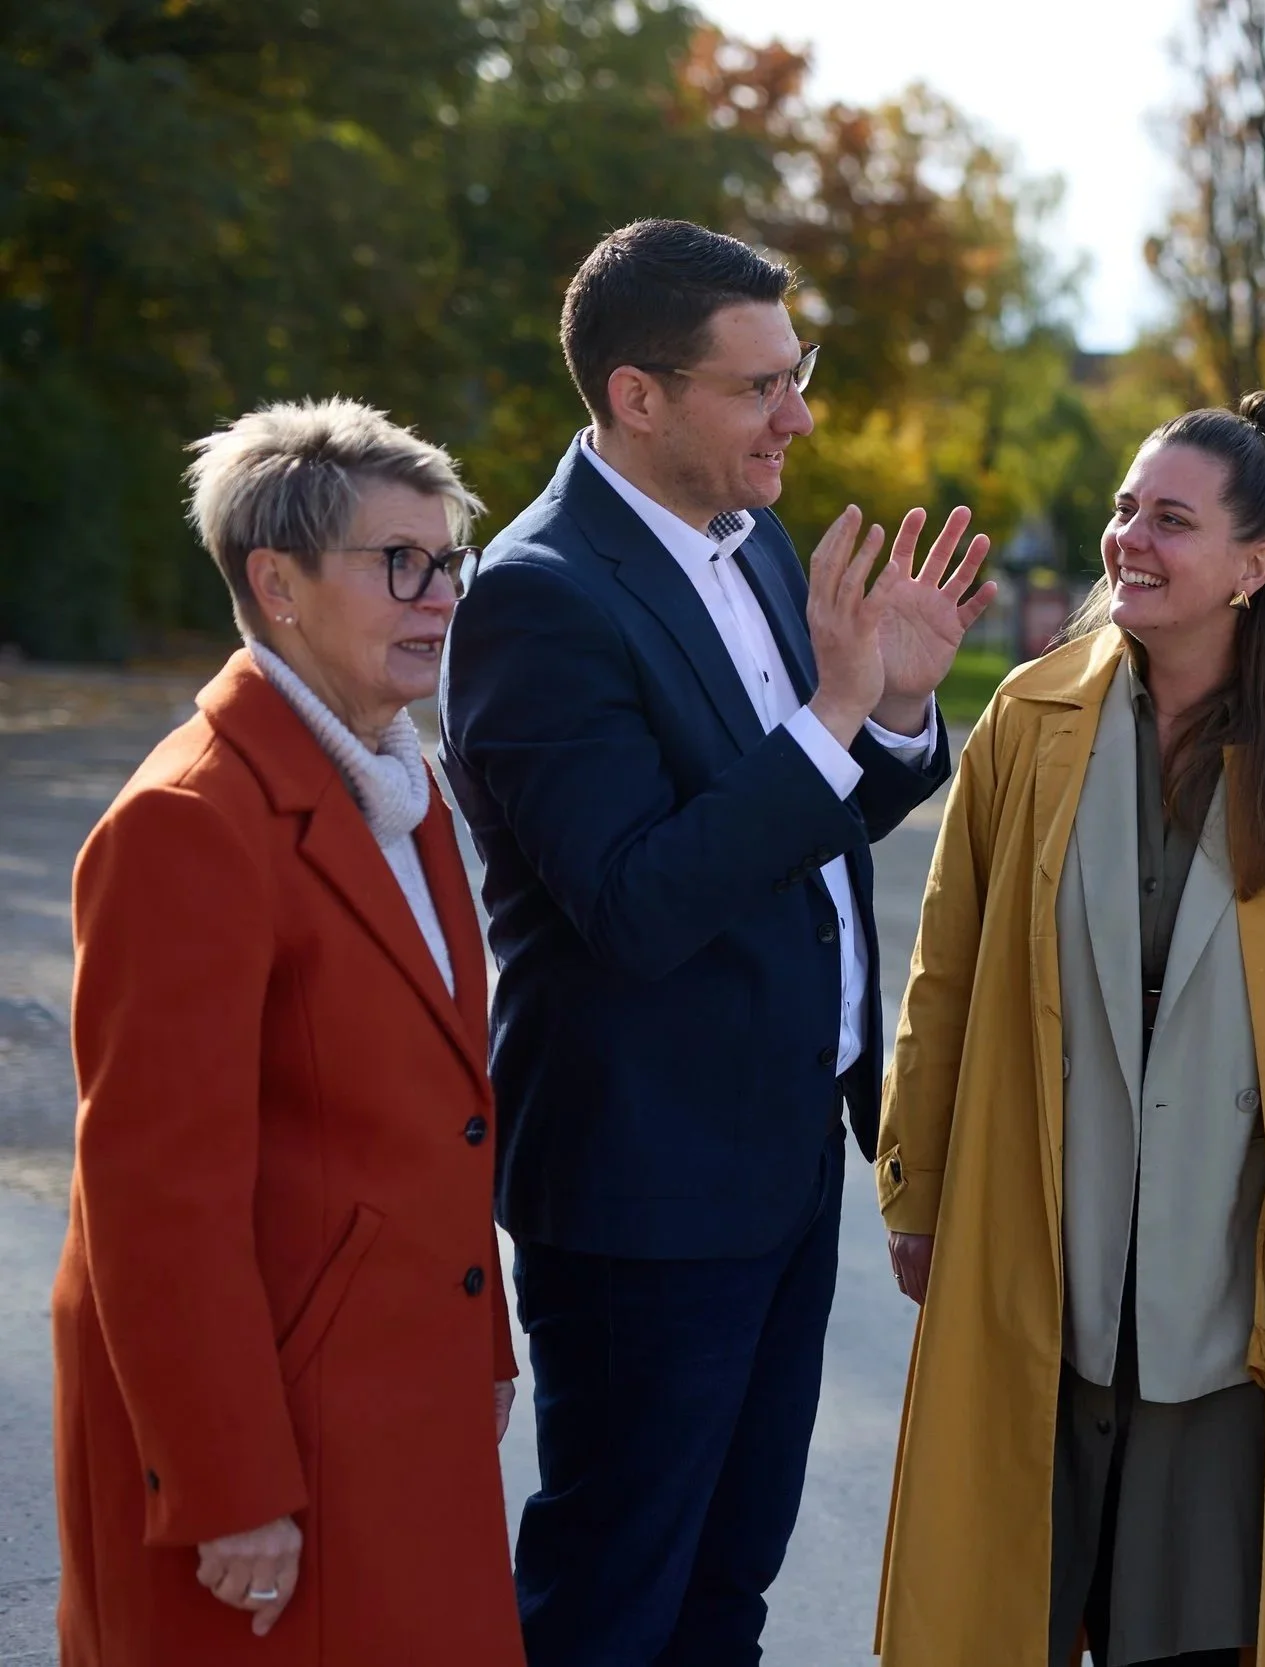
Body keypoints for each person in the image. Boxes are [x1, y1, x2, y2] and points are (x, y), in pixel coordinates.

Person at [438, 217, 996, 1666]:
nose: (796, 415)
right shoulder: (537, 597)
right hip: (642, 1184)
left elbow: (795, 825)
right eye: (758, 386)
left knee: (726, 1583)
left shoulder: (753, 549)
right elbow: (638, 898)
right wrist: (828, 718)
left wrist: (888, 715)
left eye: (791, 374)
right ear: (638, 394)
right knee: (614, 1589)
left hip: (779, 1150)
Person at [872, 394, 1265, 1667]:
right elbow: (946, 973)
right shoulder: (1027, 720)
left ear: (1255, 566)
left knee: (1201, 1629)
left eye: (1169, 520)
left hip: (1234, 1285)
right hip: (1040, 1245)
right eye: (1127, 509)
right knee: (1012, 1601)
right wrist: (915, 1186)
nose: (1129, 536)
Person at [50, 398, 524, 1666]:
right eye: (400, 564)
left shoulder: (399, 784)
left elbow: (443, 1099)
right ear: (279, 583)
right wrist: (226, 1483)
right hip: (281, 1438)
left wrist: (484, 1333)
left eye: (448, 563)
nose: (440, 597)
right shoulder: (187, 822)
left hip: (397, 1395)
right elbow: (154, 1197)